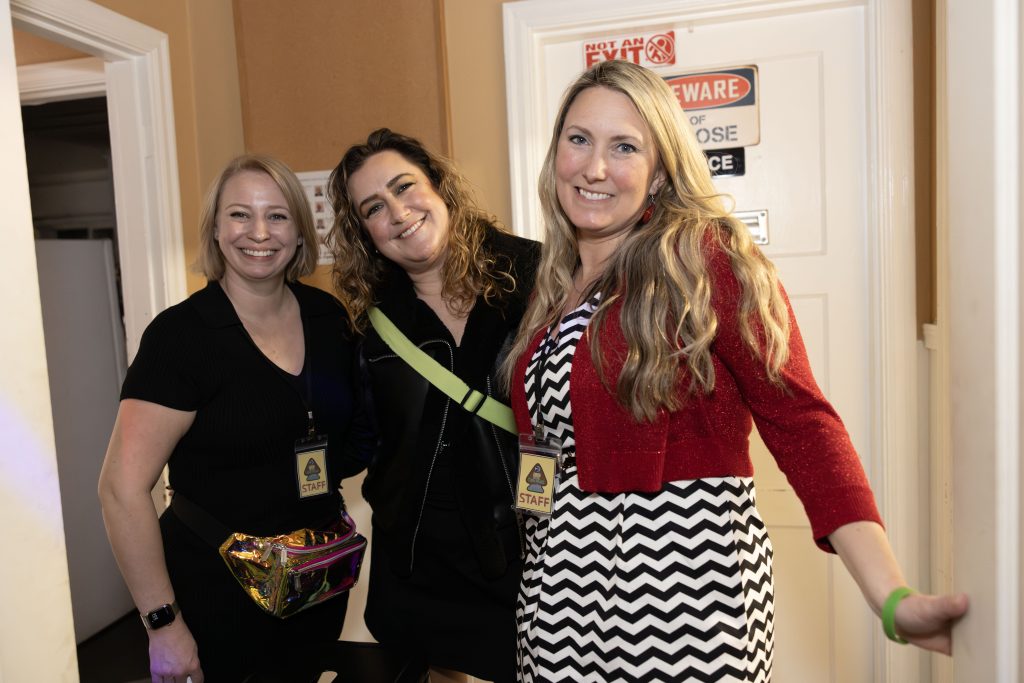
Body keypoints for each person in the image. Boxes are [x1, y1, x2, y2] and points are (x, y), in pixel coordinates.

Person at [501, 59, 969, 682]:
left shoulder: (704, 259)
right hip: (557, 601)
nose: (594, 167)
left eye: (625, 147)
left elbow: (803, 421)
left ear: (661, 170)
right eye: (579, 139)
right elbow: (549, 451)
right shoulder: (555, 285)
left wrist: (890, 595)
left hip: (679, 599)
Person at [98, 154, 373, 682]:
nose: (259, 232)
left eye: (277, 215)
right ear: (217, 231)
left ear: (298, 232)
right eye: (240, 215)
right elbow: (120, 490)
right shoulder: (181, 338)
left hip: (314, 581)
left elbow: (350, 432)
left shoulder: (328, 317)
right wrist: (163, 625)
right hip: (212, 593)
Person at [327, 128, 541, 682]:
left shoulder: (538, 277)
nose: (398, 213)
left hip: (533, 543)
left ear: (441, 187)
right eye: (375, 207)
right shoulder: (373, 325)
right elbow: (365, 439)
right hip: (424, 554)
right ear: (364, 232)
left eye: (405, 187)